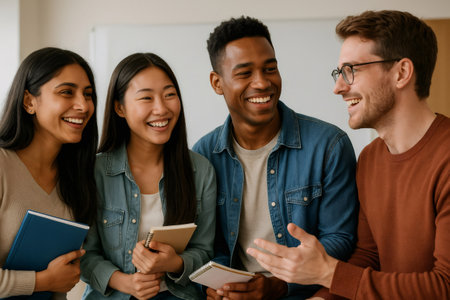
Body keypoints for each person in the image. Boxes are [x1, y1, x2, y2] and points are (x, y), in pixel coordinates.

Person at [247, 10, 450, 299]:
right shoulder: (370, 159)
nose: (338, 87)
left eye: (351, 70)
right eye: (339, 73)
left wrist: (326, 272)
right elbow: (368, 257)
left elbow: (445, 286)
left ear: (401, 73)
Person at [192, 16, 358, 299]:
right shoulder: (202, 156)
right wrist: (223, 284)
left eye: (270, 68)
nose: (262, 82)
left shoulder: (329, 145)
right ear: (217, 83)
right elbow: (208, 244)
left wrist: (279, 285)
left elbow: (342, 239)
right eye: (245, 73)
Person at [80, 53, 216, 300]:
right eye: (146, 98)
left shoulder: (201, 170)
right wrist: (126, 282)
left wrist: (175, 263)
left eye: (169, 95)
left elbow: (205, 251)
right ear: (120, 108)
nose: (161, 108)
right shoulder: (95, 171)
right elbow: (84, 255)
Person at [0, 47, 98, 298]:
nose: (83, 105)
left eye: (87, 95)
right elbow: (52, 280)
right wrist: (42, 281)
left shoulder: (77, 176)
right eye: (67, 92)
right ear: (29, 101)